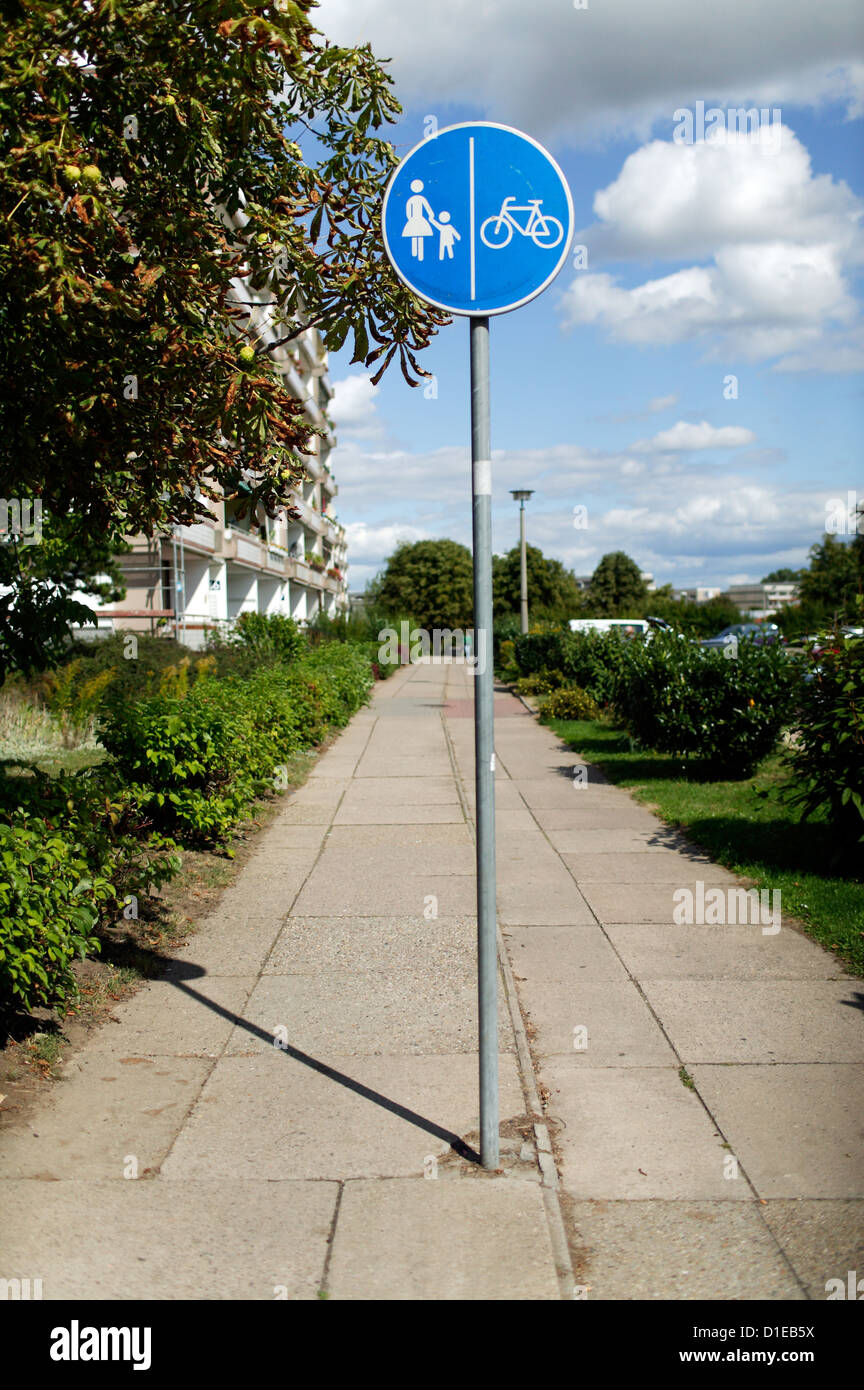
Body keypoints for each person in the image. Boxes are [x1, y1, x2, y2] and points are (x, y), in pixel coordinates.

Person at [402, 179, 435, 261]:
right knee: (418, 235)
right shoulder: (419, 199)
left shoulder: (413, 199)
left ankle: (417, 254)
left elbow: (408, 211)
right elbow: (428, 209)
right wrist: (431, 215)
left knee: (416, 235)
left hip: (415, 219)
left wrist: (410, 218)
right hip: (418, 219)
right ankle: (417, 255)